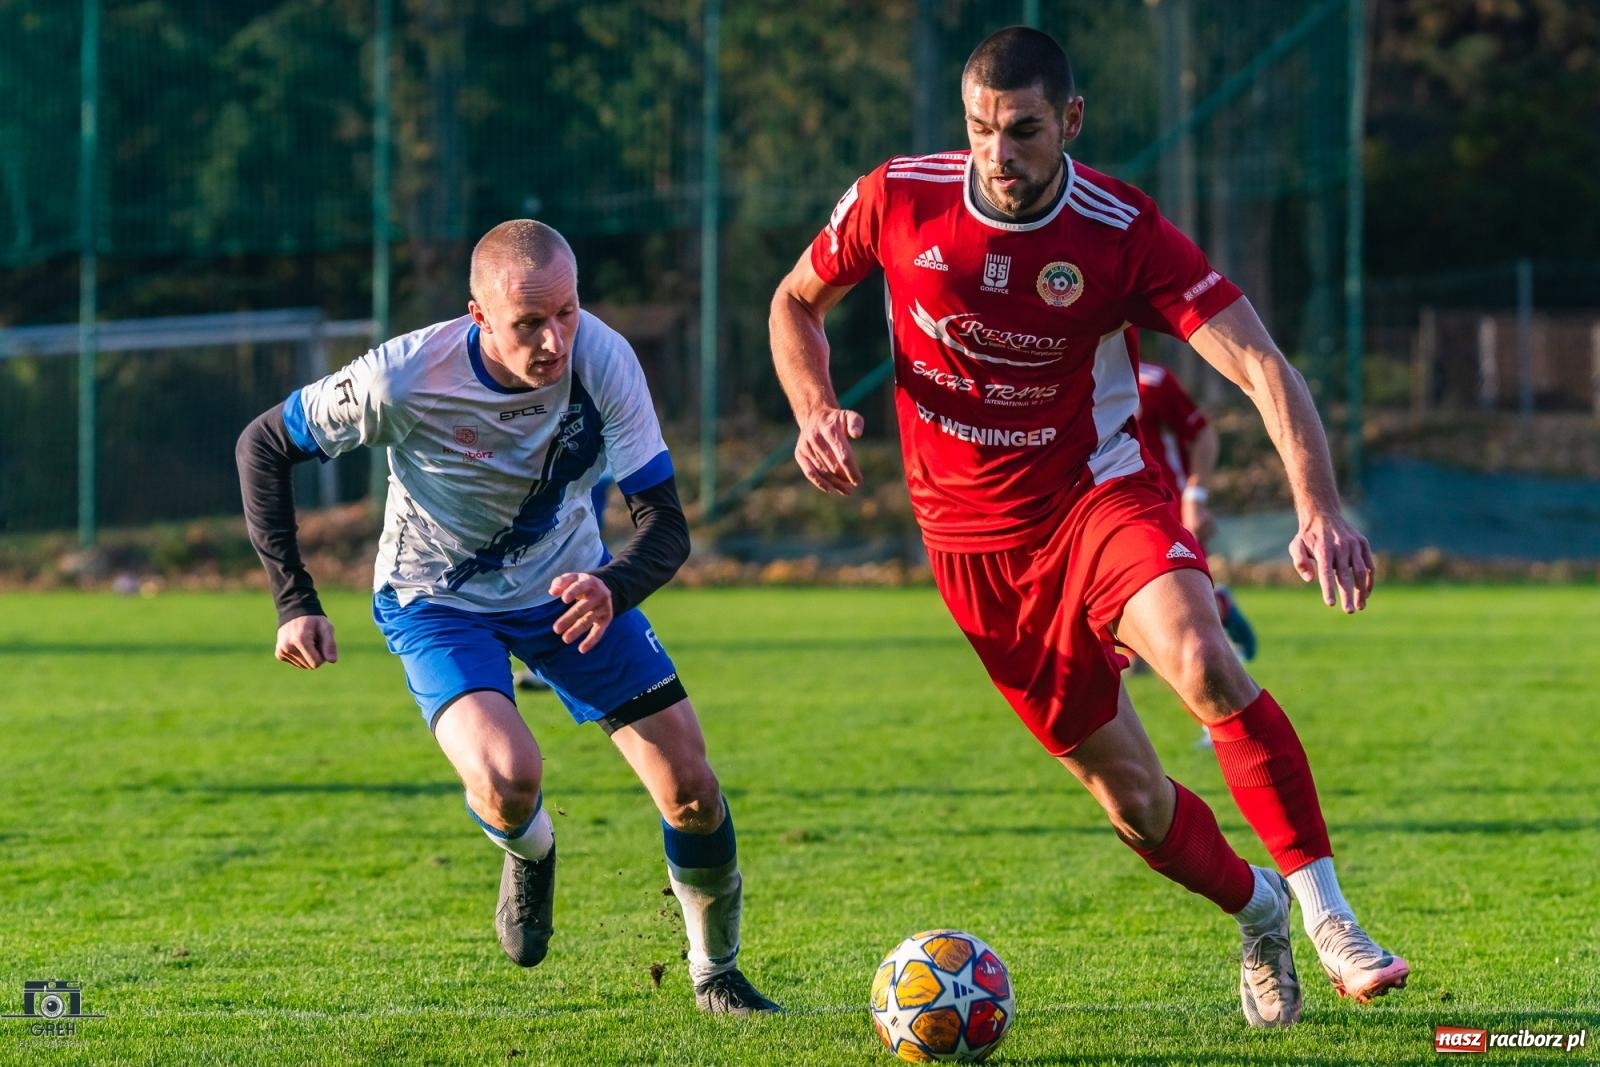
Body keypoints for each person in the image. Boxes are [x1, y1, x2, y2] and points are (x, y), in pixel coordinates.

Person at [768, 27, 1406, 1028]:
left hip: (1095, 501)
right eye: (981, 129)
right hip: (973, 554)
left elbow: (1261, 364)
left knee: (1199, 655)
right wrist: (812, 409)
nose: (997, 153)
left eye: (1021, 130)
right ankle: (1260, 909)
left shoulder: (1121, 230)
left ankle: (1333, 918)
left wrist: (1317, 505)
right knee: (1138, 804)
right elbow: (794, 302)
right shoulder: (898, 196)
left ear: (1068, 121)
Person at [237, 219, 779, 1015]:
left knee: (692, 786)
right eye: (530, 322)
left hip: (572, 591)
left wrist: (613, 587)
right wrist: (294, 600)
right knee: (507, 777)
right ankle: (531, 851)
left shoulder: (604, 358)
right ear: (478, 315)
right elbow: (263, 444)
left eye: (566, 311)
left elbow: (665, 524)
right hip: (436, 602)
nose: (556, 339)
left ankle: (715, 973)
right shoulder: (404, 378)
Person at [1135, 360, 1256, 659]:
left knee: (1181, 600)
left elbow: (1204, 436)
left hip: (1166, 503)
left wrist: (1195, 497)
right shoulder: (1069, 376)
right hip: (1114, 504)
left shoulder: (1153, 381)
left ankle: (1219, 608)